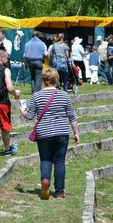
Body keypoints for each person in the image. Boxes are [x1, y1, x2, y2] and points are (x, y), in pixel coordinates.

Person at [20, 67, 79, 199]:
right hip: (61, 132)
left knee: (45, 159)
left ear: (44, 81)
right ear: (56, 80)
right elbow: (72, 117)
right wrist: (76, 133)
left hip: (44, 132)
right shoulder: (64, 95)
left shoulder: (36, 96)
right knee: (59, 161)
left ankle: (45, 180)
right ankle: (59, 192)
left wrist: (22, 111)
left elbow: (29, 116)